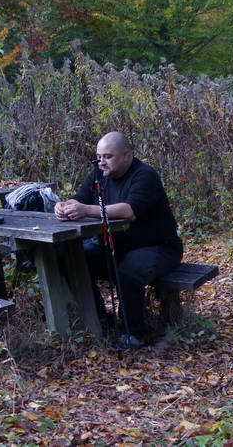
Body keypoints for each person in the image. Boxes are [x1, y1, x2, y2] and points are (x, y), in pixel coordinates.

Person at [54, 132, 183, 351]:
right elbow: (80, 198)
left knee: (127, 271)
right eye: (98, 156)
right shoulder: (98, 173)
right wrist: (65, 206)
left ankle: (135, 333)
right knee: (70, 260)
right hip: (115, 246)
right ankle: (100, 319)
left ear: (127, 155)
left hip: (159, 247)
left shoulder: (145, 175)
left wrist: (86, 210)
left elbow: (129, 211)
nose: (101, 162)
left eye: (108, 156)